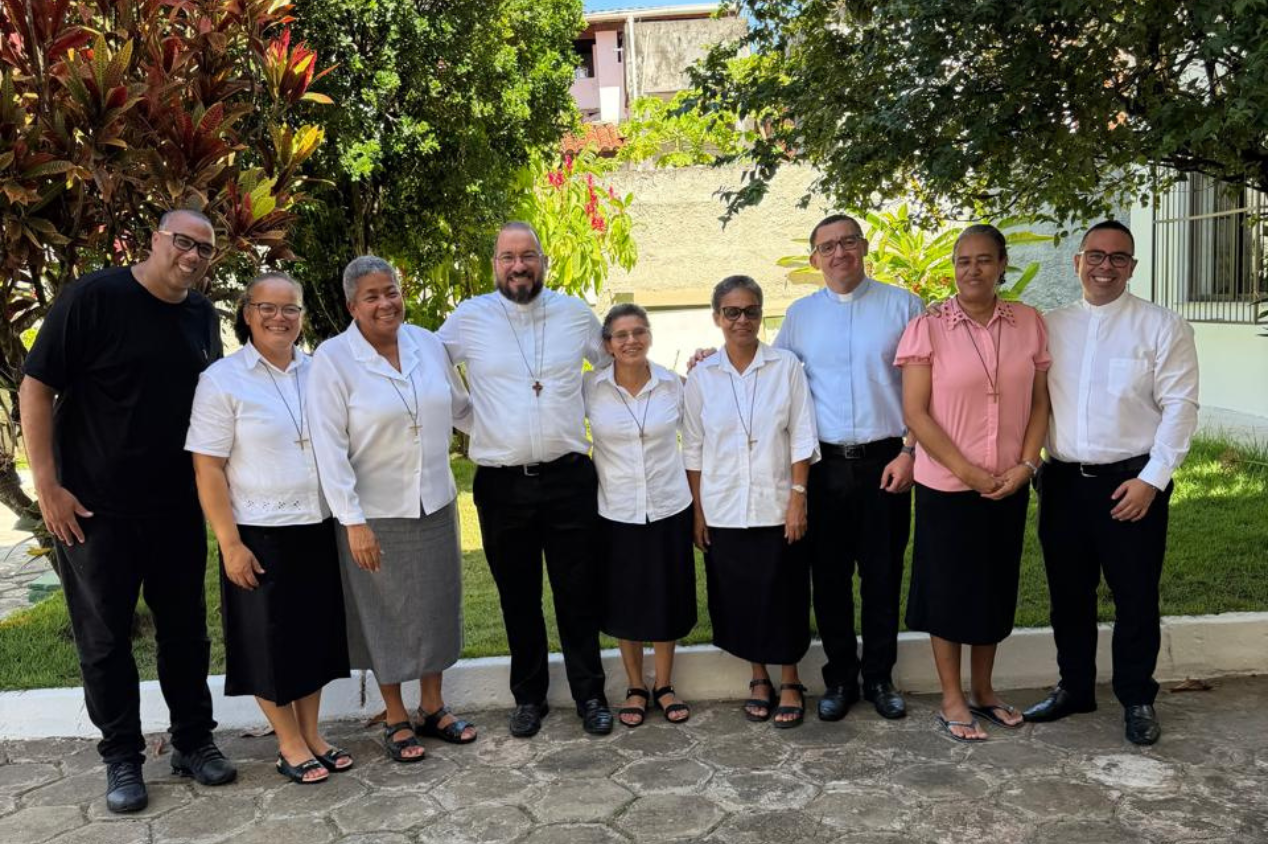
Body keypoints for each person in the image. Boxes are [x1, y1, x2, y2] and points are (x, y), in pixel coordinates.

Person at [19, 209, 236, 813]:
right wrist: (48, 486)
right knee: (105, 639)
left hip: (175, 506)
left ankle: (193, 741)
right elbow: (36, 386)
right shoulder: (93, 297)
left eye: (205, 249)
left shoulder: (200, 315)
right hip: (93, 510)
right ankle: (121, 757)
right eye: (183, 242)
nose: (193, 256)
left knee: (186, 632)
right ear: (156, 240)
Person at [1022, 220, 1199, 746]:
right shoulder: (1051, 326)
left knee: (1135, 596)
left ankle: (1137, 697)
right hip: (1062, 483)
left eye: (1118, 257)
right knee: (1068, 595)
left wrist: (1152, 481)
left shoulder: (1162, 327)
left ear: (1132, 267)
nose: (1106, 266)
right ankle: (1075, 687)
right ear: (1077, 262)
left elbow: (1180, 408)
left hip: (1132, 482)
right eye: (1095, 255)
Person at [437, 221, 613, 737]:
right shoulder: (469, 318)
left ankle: (590, 695)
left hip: (569, 478)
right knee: (518, 597)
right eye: (508, 257)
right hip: (501, 484)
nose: (518, 266)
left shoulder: (575, 314)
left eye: (528, 256)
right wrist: (471, 419)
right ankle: (529, 698)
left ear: (543, 261)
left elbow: (610, 368)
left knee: (578, 593)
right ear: (494, 264)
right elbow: (430, 365)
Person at [308, 256, 477, 764]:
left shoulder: (427, 343)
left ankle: (433, 706)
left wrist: (520, 428)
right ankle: (396, 715)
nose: (386, 303)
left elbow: (462, 409)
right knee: (385, 614)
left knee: (437, 605)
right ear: (352, 306)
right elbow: (328, 447)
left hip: (435, 499)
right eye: (372, 296)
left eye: (392, 291)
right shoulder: (333, 359)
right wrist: (352, 521)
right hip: (375, 510)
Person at [186, 272, 352, 784]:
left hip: (316, 524)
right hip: (259, 532)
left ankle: (312, 734)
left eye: (291, 308)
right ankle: (288, 742)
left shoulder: (318, 370)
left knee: (313, 638)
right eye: (268, 307)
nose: (280, 318)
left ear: (302, 316)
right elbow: (207, 467)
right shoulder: (222, 379)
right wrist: (230, 543)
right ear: (247, 313)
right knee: (269, 643)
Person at [896, 224, 1051, 742]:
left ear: (1002, 264)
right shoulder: (929, 326)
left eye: (984, 259)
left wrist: (1026, 466)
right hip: (947, 485)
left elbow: (1040, 404)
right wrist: (967, 472)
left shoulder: (1028, 323)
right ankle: (952, 698)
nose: (973, 270)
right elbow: (916, 412)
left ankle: (984, 691)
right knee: (948, 592)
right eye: (963, 260)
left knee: (993, 589)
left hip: (1008, 483)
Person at [773, 214, 924, 722]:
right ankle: (840, 678)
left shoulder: (904, 307)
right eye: (827, 246)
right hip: (826, 465)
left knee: (883, 575)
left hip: (888, 461)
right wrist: (713, 359)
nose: (839, 253)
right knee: (830, 578)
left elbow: (927, 389)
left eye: (848, 242)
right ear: (814, 258)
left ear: (864, 247)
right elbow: (775, 381)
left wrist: (910, 453)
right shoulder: (800, 316)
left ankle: (879, 677)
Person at [683, 275, 819, 728]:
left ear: (762, 314)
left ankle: (791, 680)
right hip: (723, 507)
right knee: (739, 598)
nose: (742, 320)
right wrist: (698, 511)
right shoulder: (702, 376)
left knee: (785, 595)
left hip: (777, 503)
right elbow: (693, 448)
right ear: (717, 317)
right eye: (732, 312)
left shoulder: (786, 366)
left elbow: (802, 435)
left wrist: (797, 498)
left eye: (751, 311)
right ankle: (758, 677)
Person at [583, 304, 695, 727]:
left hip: (669, 505)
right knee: (624, 600)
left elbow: (696, 444)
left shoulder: (674, 385)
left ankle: (664, 685)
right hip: (616, 510)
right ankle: (635, 686)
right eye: (621, 335)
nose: (631, 341)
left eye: (639, 332)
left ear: (649, 336)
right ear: (608, 344)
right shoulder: (590, 388)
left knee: (667, 597)